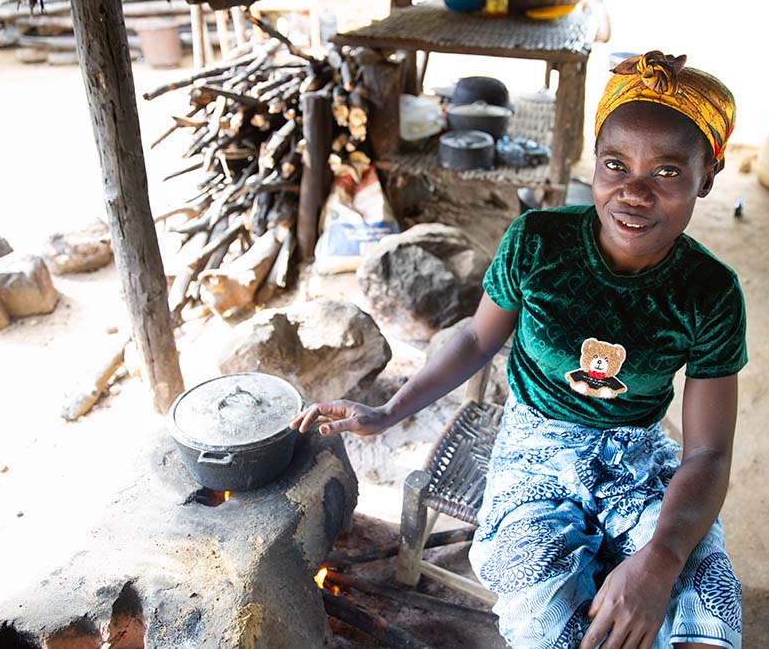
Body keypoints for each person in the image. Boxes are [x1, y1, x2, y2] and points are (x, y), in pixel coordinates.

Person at [291, 50, 745, 649]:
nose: (633, 193)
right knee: (552, 620)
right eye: (616, 165)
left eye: (666, 172)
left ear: (706, 177)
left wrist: (660, 556)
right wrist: (387, 411)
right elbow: (479, 338)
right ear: (595, 163)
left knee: (703, 609)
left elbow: (708, 454)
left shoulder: (709, 292)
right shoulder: (538, 243)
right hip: (535, 450)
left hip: (638, 458)